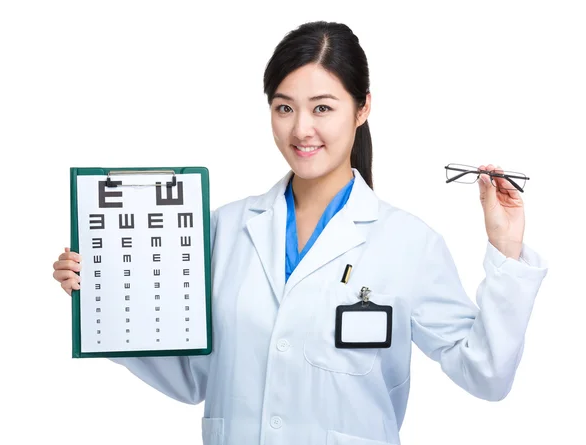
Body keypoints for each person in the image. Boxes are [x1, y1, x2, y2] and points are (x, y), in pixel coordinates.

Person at [52, 21, 548, 445]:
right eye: (284, 107)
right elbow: (191, 378)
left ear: (363, 108)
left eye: (323, 108)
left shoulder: (408, 244)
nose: (301, 130)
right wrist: (102, 296)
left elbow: (485, 374)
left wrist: (506, 250)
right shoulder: (224, 229)